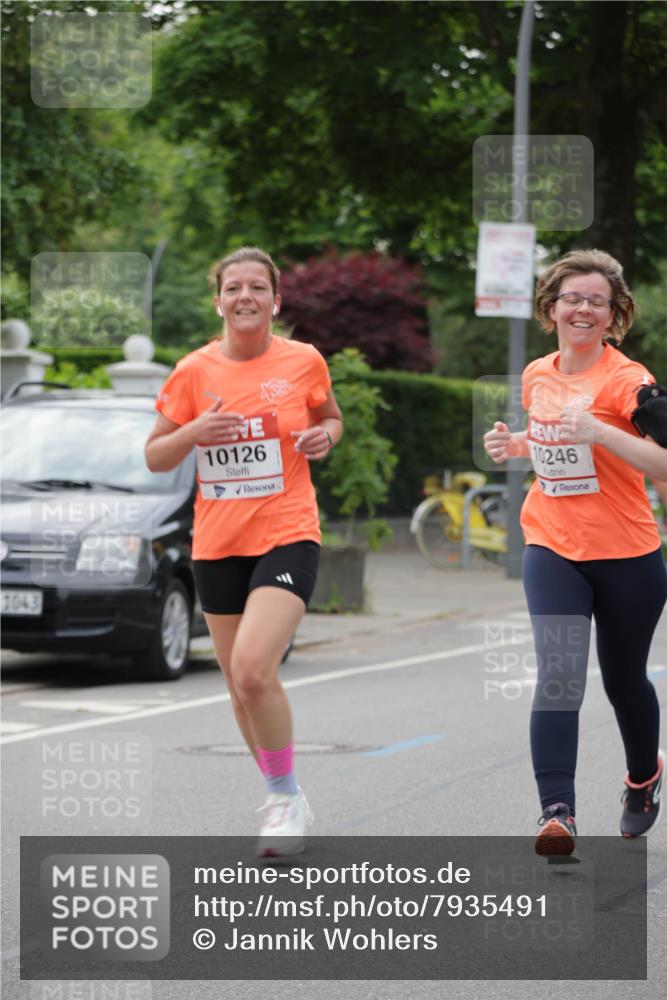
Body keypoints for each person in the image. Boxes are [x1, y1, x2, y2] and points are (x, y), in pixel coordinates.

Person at [145, 246, 343, 856]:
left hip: (287, 530)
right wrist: (193, 433)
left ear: (275, 301)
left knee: (256, 668)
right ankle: (284, 792)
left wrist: (322, 438)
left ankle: (282, 799)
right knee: (239, 686)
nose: (245, 297)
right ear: (219, 301)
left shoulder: (303, 361)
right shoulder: (193, 371)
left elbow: (331, 419)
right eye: (234, 288)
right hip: (218, 541)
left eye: (258, 287)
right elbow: (156, 455)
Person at [483, 249, 667, 856]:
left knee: (622, 679)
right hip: (552, 544)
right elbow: (555, 443)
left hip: (627, 553)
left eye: (596, 300)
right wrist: (519, 444)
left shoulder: (628, 381)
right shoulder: (538, 373)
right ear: (551, 307)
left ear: (613, 314)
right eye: (572, 298)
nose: (583, 308)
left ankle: (643, 777)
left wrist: (604, 431)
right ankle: (556, 812)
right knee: (560, 679)